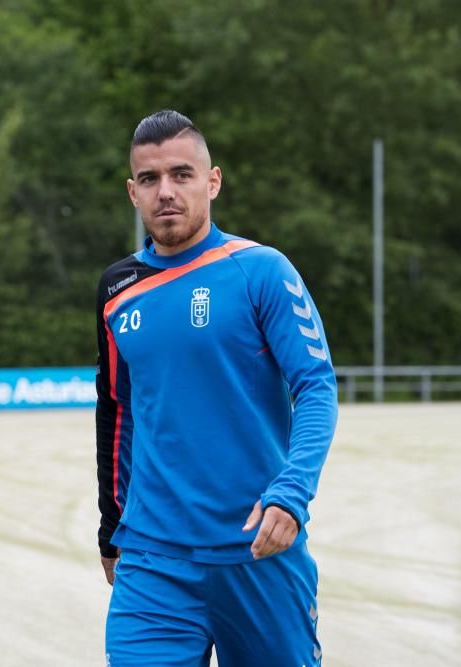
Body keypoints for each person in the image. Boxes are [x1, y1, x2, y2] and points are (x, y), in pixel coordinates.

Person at [95, 109, 338, 666]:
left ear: (213, 181)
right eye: (150, 180)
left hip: (257, 550)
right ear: (133, 192)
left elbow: (317, 387)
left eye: (182, 175)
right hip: (152, 560)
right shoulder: (117, 288)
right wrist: (111, 526)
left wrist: (292, 493)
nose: (166, 192)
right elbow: (117, 413)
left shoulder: (262, 271)